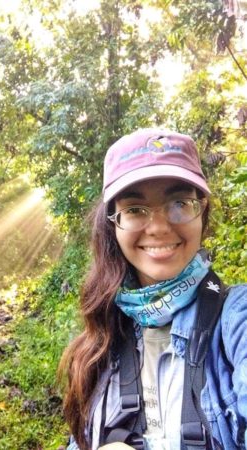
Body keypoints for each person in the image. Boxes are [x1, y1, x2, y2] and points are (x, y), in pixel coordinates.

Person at [59, 128, 247, 450]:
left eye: (180, 202)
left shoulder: (235, 319)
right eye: (135, 209)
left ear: (201, 211)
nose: (159, 227)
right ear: (113, 224)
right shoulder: (100, 339)